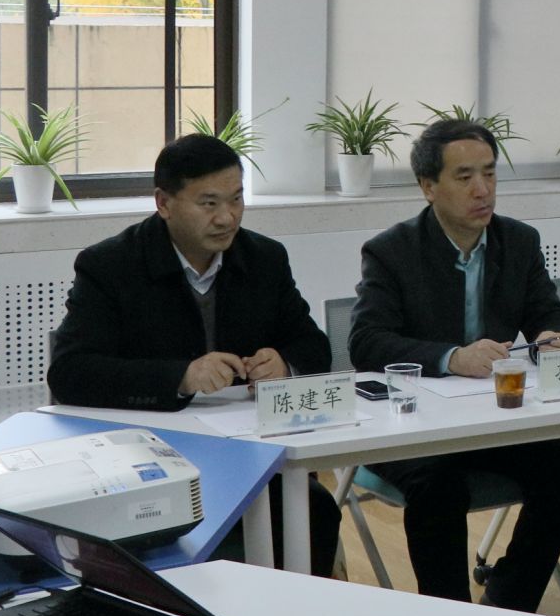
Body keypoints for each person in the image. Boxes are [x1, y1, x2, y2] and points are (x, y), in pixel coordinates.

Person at [46, 133, 342, 577]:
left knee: (315, 510)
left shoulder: (264, 258)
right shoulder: (110, 266)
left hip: (250, 454)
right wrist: (182, 377)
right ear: (164, 203)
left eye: (237, 199)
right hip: (146, 459)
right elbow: (71, 373)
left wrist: (284, 362)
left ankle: (293, 615)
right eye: (209, 204)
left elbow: (313, 346)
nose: (227, 217)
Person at [347, 119, 560, 611]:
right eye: (464, 177)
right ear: (428, 187)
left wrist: (556, 336)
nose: (482, 190)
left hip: (489, 416)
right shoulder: (392, 251)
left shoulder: (518, 241)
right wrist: (452, 358)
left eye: (490, 174)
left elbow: (549, 310)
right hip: (410, 425)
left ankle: (510, 599)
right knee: (438, 488)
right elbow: (367, 341)